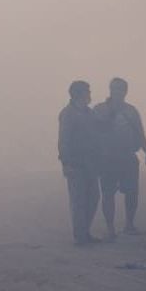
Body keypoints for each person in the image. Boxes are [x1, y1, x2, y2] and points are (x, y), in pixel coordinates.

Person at [94, 78, 146, 239]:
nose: (117, 92)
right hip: (107, 158)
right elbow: (94, 132)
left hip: (128, 157)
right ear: (110, 90)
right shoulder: (100, 109)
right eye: (114, 89)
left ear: (125, 91)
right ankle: (110, 228)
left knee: (132, 193)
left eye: (120, 89)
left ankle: (129, 224)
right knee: (107, 193)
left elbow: (140, 132)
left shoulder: (131, 111)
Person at [58, 80, 100, 245]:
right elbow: (64, 141)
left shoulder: (89, 113)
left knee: (93, 198)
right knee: (78, 200)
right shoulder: (67, 114)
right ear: (79, 94)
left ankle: (84, 231)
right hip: (75, 164)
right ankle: (80, 236)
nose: (90, 95)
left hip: (90, 164)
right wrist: (66, 162)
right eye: (87, 92)